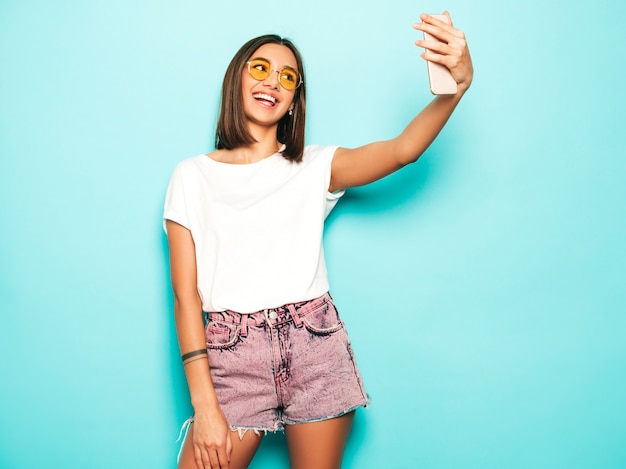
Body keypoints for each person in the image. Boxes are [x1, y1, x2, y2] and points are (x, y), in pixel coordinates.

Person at [164, 12, 473, 469]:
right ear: (237, 79)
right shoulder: (192, 176)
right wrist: (205, 406)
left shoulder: (314, 166)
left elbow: (402, 150)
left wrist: (456, 90)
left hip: (314, 344)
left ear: (293, 101)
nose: (273, 81)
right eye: (261, 68)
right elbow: (185, 298)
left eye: (288, 77)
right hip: (233, 353)